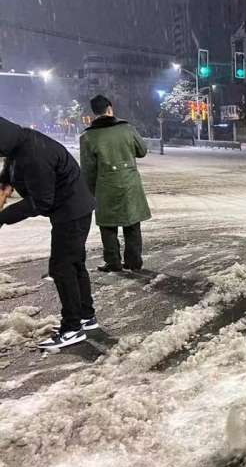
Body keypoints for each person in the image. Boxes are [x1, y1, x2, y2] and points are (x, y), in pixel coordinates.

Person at [0, 116, 97, 349]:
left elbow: (42, 201)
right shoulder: (18, 146)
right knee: (74, 264)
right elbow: (6, 177)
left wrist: (3, 218)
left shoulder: (32, 153)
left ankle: (73, 328)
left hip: (71, 212)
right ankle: (86, 315)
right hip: (73, 208)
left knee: (62, 267)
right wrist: (3, 189)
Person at [80, 95, 151, 272]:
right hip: (129, 184)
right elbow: (142, 151)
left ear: (94, 113)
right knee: (132, 222)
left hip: (105, 186)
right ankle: (134, 262)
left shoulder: (88, 136)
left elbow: (88, 170)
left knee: (107, 225)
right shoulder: (127, 128)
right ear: (110, 109)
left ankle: (113, 262)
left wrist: (88, 194)